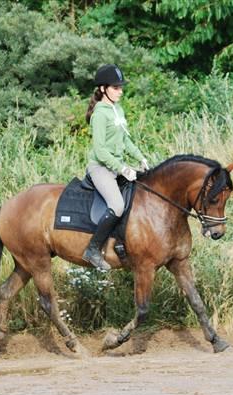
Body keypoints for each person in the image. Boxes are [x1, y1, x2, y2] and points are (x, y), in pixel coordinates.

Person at [82, 63, 148, 271]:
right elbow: (100, 151)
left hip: (117, 165)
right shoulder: (100, 114)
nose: (120, 91)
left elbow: (125, 141)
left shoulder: (117, 109)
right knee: (118, 205)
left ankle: (120, 244)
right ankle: (92, 249)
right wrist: (123, 169)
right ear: (103, 89)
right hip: (101, 168)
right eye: (115, 87)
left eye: (121, 87)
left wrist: (141, 158)